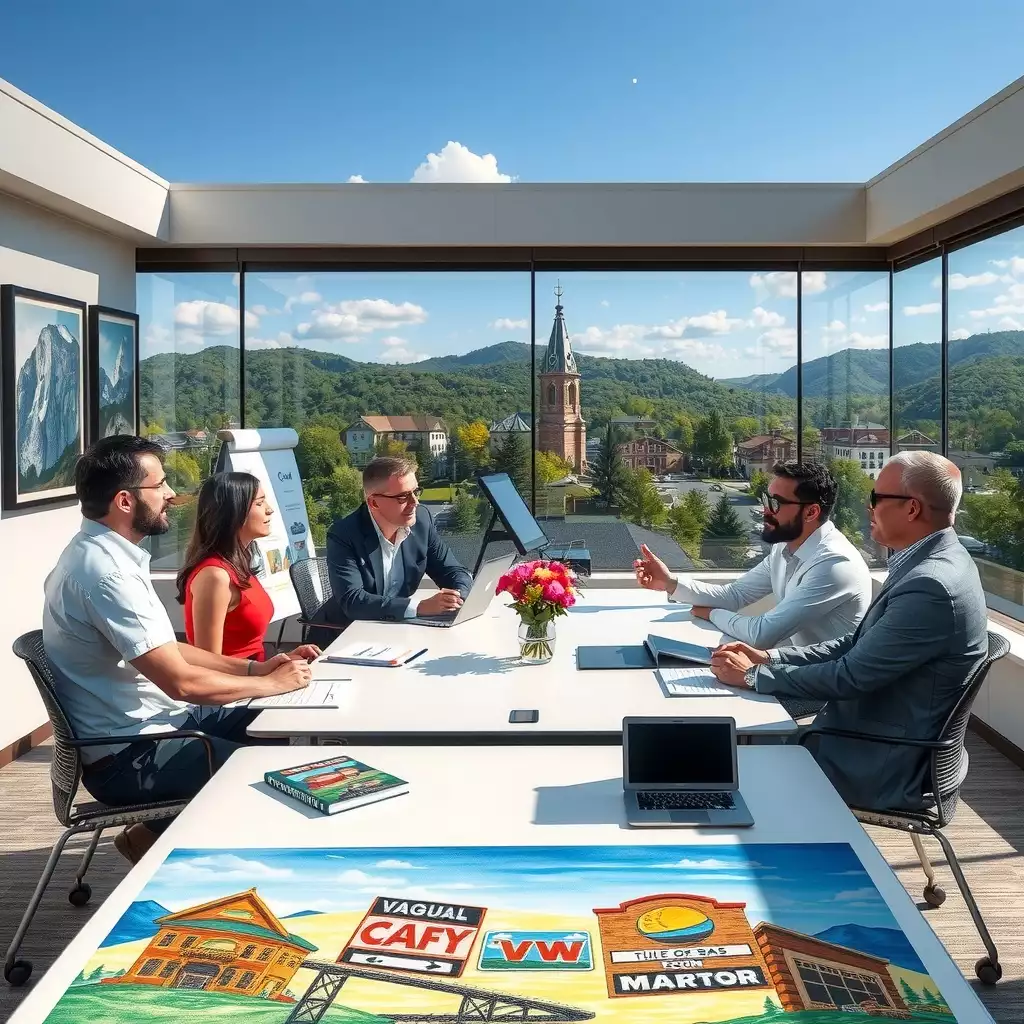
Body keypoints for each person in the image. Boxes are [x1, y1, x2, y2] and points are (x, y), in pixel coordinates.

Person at [42, 436, 312, 864]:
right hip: (130, 755)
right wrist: (271, 682)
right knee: (274, 778)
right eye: (161, 485)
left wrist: (252, 672)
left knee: (282, 727)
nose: (171, 495)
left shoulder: (102, 557)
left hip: (154, 729)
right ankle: (198, 871)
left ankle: (152, 837)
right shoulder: (107, 576)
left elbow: (170, 651)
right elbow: (180, 681)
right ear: (126, 501)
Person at [710, 451, 987, 811]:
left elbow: (850, 676)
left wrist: (752, 677)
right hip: (879, 739)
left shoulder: (931, 585)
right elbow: (856, 643)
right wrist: (770, 657)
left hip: (881, 762)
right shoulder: (932, 561)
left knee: (727, 764)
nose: (869, 508)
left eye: (876, 498)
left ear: (912, 509)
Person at [634, 462, 871, 649]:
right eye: (765, 499)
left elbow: (762, 634)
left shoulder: (834, 563)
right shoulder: (785, 548)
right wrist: (669, 582)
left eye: (775, 504)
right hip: (797, 671)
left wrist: (713, 614)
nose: (764, 510)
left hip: (825, 692)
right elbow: (735, 595)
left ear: (811, 512)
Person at [317, 456, 472, 638]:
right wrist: (420, 607)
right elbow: (353, 601)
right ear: (374, 503)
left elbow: (452, 570)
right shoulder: (344, 534)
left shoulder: (421, 520)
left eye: (416, 491)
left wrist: (457, 595)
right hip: (344, 634)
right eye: (402, 497)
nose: (415, 502)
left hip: (396, 629)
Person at [177, 471, 320, 662]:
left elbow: (246, 652)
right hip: (237, 688)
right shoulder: (215, 576)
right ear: (234, 512)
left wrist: (284, 659)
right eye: (260, 503)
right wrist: (269, 674)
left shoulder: (238, 564)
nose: (270, 510)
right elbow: (209, 664)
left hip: (255, 680)